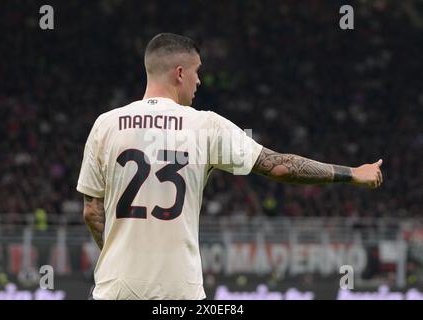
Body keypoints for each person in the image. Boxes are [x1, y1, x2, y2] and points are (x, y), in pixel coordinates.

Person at [76, 33, 383, 300]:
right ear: (180, 73)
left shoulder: (106, 125)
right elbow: (280, 166)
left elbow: (92, 212)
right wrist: (351, 173)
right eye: (197, 72)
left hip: (114, 289)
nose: (199, 81)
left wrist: (117, 257)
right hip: (179, 292)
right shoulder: (204, 125)